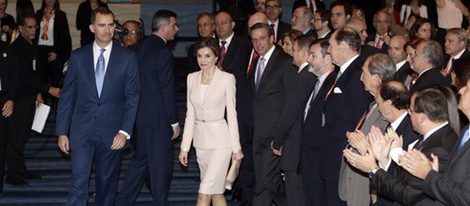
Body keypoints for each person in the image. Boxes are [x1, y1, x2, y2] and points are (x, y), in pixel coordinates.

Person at [56, 7, 140, 205]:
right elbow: (67, 96)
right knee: (78, 184)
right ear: (92, 28)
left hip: (113, 133)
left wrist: (125, 131)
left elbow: (133, 96)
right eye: (102, 25)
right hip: (81, 131)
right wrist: (62, 131)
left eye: (111, 25)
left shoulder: (127, 58)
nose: (107, 30)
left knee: (106, 185)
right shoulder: (78, 57)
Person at [344, 85, 459, 205]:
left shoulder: (438, 149)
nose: (409, 114)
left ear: (422, 118)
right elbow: (405, 180)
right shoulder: (438, 136)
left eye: (411, 111)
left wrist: (373, 169)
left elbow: (408, 194)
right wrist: (384, 159)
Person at [116, 10, 180, 206]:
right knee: (161, 168)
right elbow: (167, 91)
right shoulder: (163, 53)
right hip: (159, 121)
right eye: (174, 25)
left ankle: (123, 202)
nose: (176, 29)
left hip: (139, 119)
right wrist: (174, 122)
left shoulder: (135, 49)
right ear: (164, 26)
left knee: (140, 163)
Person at [178, 37, 243, 206]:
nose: (203, 60)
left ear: (216, 57)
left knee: (203, 193)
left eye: (207, 56)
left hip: (221, 143)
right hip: (200, 144)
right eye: (199, 56)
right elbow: (190, 115)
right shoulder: (191, 78)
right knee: (216, 194)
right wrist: (185, 147)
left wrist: (236, 149)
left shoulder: (227, 79)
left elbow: (232, 115)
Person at [399, 65, 470, 206]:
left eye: (467, 88)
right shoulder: (466, 130)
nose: (461, 90)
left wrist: (429, 175)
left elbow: (466, 198)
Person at [5, 14, 60, 187]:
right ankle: (12, 174)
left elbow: (35, 73)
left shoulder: (32, 46)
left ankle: (20, 169)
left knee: (23, 135)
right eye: (29, 27)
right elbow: (23, 77)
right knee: (15, 137)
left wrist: (38, 93)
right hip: (18, 98)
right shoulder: (17, 48)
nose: (33, 30)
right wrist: (48, 89)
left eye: (35, 27)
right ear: (20, 28)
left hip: (30, 97)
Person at [323, 28, 373, 206]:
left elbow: (357, 118)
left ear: (343, 47)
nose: (328, 50)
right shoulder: (343, 72)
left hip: (342, 157)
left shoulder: (357, 74)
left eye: (331, 45)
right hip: (333, 155)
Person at [250, 22, 297, 206]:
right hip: (257, 135)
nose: (258, 43)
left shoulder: (285, 61)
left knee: (269, 180)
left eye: (262, 38)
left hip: (274, 137)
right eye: (254, 40)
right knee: (261, 185)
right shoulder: (256, 62)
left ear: (271, 38)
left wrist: (281, 137)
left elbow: (290, 103)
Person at [338, 54, 395, 206]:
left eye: (365, 73)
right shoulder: (373, 104)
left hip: (365, 187)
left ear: (377, 77)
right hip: (354, 183)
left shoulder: (388, 111)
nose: (361, 78)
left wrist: (363, 146)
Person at [302, 38, 338, 206]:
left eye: (313, 55)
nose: (309, 59)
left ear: (327, 58)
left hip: (319, 159)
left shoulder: (333, 84)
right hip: (309, 158)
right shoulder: (315, 82)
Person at [35, 0, 72, 88]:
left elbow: (64, 36)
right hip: (40, 49)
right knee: (41, 79)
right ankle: (41, 100)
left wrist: (56, 52)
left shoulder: (61, 15)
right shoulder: (39, 13)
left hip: (54, 51)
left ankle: (55, 101)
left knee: (56, 80)